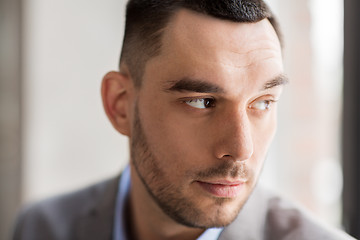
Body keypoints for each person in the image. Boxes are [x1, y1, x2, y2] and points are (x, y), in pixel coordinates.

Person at [12, 0, 355, 239]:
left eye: (263, 103)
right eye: (203, 102)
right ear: (120, 105)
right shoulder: (42, 228)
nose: (240, 150)